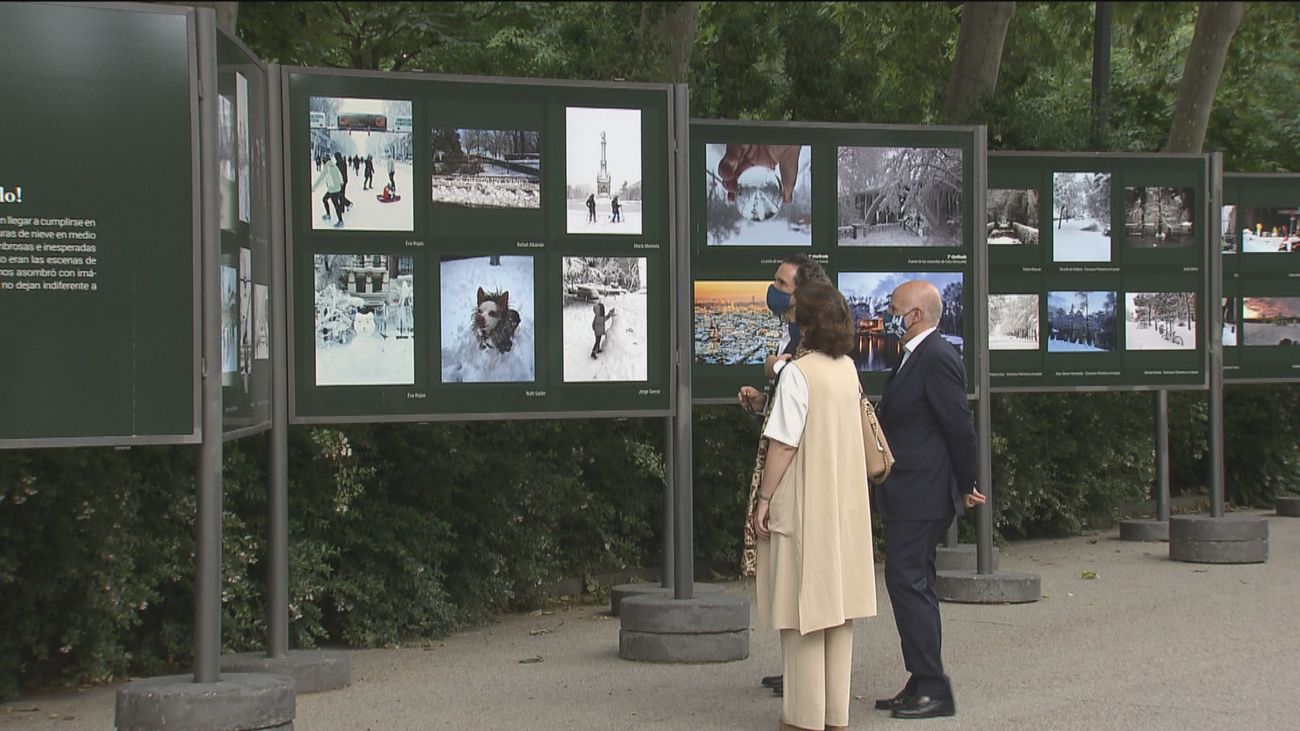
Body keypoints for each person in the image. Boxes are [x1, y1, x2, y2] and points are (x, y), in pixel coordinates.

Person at [751, 279, 876, 731]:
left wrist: (763, 499)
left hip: (805, 501)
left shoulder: (798, 374)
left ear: (807, 324)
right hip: (844, 503)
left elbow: (783, 445)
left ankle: (803, 717)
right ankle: (834, 715)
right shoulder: (848, 369)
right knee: (837, 612)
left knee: (801, 611)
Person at [872, 280, 985, 720]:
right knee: (911, 579)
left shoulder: (936, 357)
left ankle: (934, 685)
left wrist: (966, 481)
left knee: (908, 579)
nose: (889, 315)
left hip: (924, 493)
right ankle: (921, 679)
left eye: (895, 308)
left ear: (915, 315)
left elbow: (959, 425)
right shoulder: (913, 357)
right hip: (909, 491)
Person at [737, 253, 829, 699]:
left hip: (795, 478)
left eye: (781, 283)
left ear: (803, 292)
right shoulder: (796, 334)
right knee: (786, 578)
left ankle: (805, 677)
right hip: (792, 471)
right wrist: (763, 399)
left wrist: (781, 369)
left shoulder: (812, 343)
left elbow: (793, 431)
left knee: (797, 574)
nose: (773, 289)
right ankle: (796, 667)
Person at [312, 155, 345, 228]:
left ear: (325, 161)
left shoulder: (327, 168)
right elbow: (340, 175)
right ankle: (328, 215)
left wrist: (314, 188)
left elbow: (321, 179)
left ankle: (341, 221)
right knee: (325, 199)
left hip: (333, 190)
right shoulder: (334, 165)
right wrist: (341, 183)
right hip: (336, 188)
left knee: (336, 205)